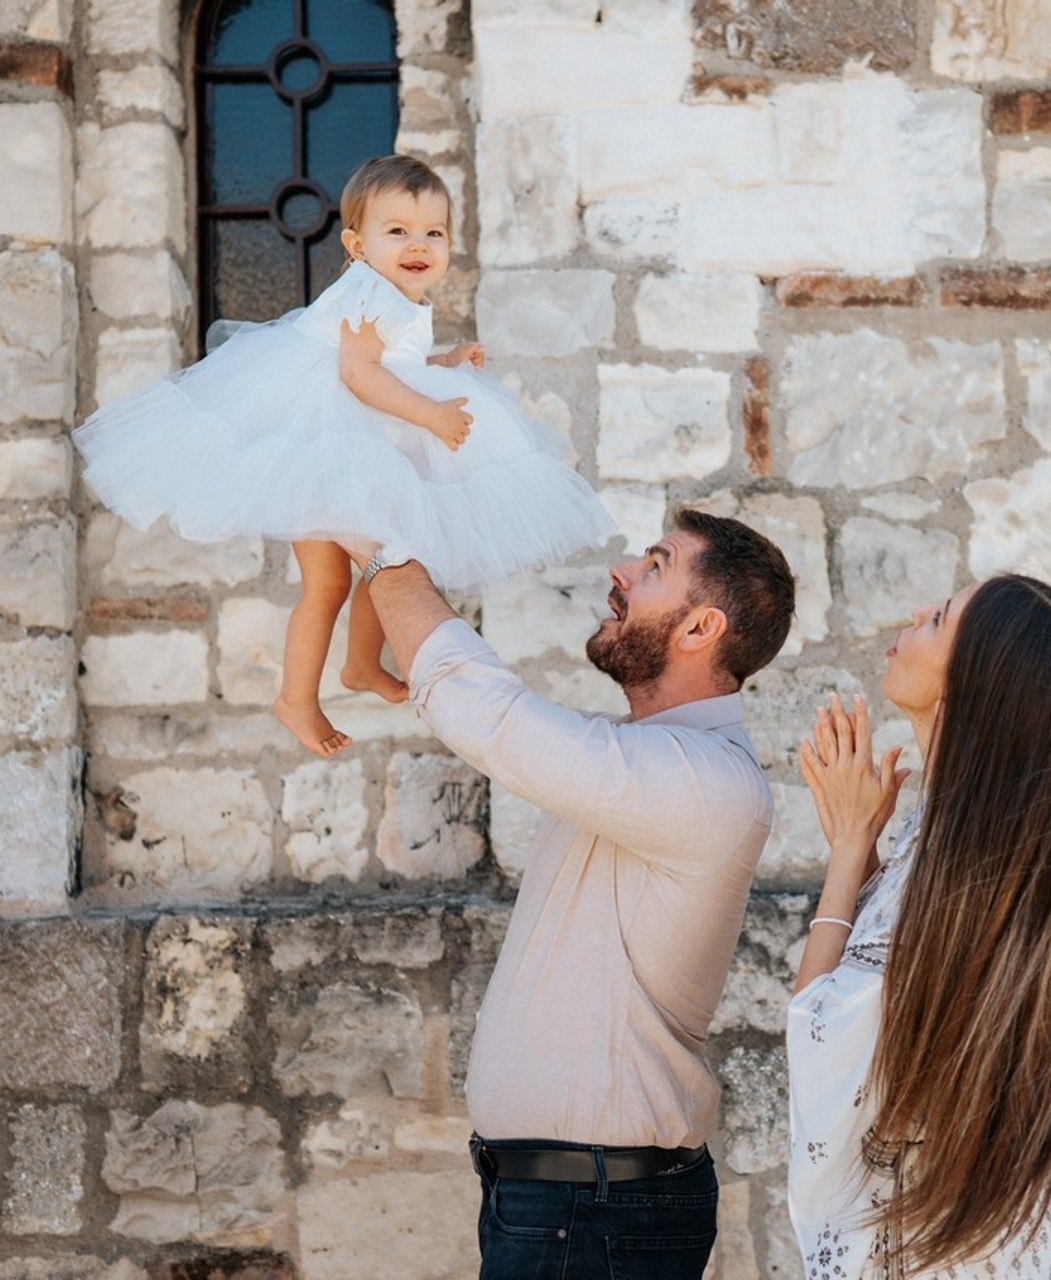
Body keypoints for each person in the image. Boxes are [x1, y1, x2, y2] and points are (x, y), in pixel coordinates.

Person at [343, 508, 795, 1279]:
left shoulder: (705, 782)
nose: (621, 573)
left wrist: (387, 546)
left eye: (654, 566)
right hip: (565, 1208)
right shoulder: (645, 760)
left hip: (592, 1214)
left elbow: (490, 716)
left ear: (700, 628)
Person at [73, 155, 614, 757]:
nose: (418, 244)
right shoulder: (367, 290)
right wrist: (430, 414)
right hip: (320, 446)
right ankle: (298, 699)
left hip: (349, 448)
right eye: (398, 231)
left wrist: (444, 364)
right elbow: (359, 376)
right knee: (345, 575)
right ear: (357, 244)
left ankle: (360, 667)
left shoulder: (399, 297)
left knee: (374, 560)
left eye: (433, 232)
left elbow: (392, 366)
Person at [788, 575, 1051, 1278]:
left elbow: (821, 1034)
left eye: (939, 618)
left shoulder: (960, 865)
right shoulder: (1001, 861)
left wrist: (851, 850)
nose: (915, 611)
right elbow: (907, 1010)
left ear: (972, 685)